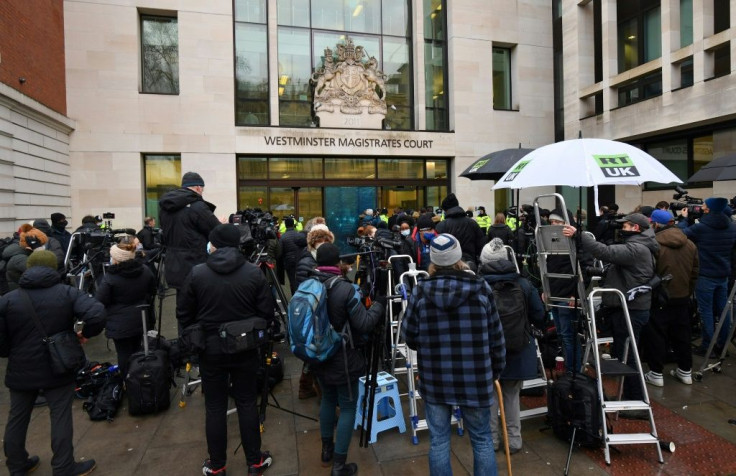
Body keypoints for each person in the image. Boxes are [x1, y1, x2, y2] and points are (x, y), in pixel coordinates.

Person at [402, 233, 505, 476]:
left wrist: (427, 346)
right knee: (481, 440)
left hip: (436, 376)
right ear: (459, 258)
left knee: (439, 441)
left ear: (433, 261)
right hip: (475, 377)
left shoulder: (420, 292)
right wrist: (495, 371)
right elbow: (496, 337)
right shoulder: (480, 288)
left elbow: (409, 335)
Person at [177, 224, 274, 476]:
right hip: (244, 347)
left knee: (215, 407)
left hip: (210, 349)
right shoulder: (253, 273)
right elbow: (267, 313)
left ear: (214, 245)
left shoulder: (198, 273)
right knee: (246, 402)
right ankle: (254, 462)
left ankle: (217, 465)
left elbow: (184, 313)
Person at [0, 250, 105, 476]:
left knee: (17, 417)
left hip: (21, 365)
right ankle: (63, 466)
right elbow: (96, 313)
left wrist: (8, 350)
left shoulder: (9, 299)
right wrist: (85, 333)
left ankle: (17, 466)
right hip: (58, 364)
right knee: (60, 415)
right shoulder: (66, 293)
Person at [563, 212, 658, 408]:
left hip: (631, 309)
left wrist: (579, 235)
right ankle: (631, 397)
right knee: (626, 353)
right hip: (628, 308)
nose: (621, 228)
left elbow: (605, 252)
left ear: (636, 228)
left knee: (629, 355)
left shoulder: (637, 248)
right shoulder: (640, 245)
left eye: (625, 226)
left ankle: (636, 401)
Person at [309, 243, 384, 475]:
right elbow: (363, 323)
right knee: (348, 405)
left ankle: (326, 451)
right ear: (337, 263)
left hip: (317, 354)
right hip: (342, 357)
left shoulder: (308, 284)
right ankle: (339, 466)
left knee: (328, 400)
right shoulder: (346, 289)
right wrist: (379, 305)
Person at [479, 238, 544, 454]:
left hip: (487, 351)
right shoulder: (523, 283)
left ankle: (491, 441)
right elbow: (539, 315)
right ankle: (514, 441)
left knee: (489, 398)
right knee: (511, 396)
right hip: (518, 348)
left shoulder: (479, 286)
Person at [158, 172, 222, 331]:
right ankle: (199, 345)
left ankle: (185, 344)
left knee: (183, 307)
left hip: (174, 265)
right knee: (202, 307)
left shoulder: (166, 207)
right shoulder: (197, 206)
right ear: (198, 187)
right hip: (195, 264)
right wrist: (221, 224)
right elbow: (216, 231)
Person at [643, 210, 699, 387]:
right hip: (682, 296)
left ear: (656, 224)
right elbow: (695, 272)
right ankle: (685, 370)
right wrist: (687, 292)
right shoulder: (690, 244)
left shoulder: (654, 244)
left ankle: (656, 373)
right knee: (682, 334)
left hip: (659, 297)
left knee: (657, 334)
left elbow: (648, 271)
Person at [678, 197, 736, 356]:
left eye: (704, 205)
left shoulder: (702, 227)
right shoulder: (732, 227)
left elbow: (681, 235)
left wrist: (683, 220)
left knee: (706, 311)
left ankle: (707, 346)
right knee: (723, 311)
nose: (702, 207)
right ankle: (723, 345)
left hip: (705, 275)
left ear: (709, 209)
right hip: (723, 274)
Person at [94, 239, 156, 377]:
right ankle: (139, 378)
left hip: (119, 322)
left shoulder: (111, 277)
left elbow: (100, 300)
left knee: (124, 353)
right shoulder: (145, 270)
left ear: (116, 258)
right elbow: (152, 290)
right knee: (137, 350)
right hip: (141, 318)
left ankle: (127, 381)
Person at [545, 209, 585, 372]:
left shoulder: (578, 240)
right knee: (562, 334)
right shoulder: (553, 240)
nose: (554, 225)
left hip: (568, 295)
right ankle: (570, 369)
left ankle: (573, 371)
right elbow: (548, 267)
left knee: (569, 336)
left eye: (558, 222)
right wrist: (545, 289)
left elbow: (584, 269)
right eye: (552, 222)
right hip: (555, 293)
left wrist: (576, 294)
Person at [435, 193, 486, 271]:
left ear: (446, 210)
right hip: (470, 265)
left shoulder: (442, 225)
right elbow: (481, 245)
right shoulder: (472, 223)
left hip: (449, 266)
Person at [6, 225, 48, 291]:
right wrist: (38, 250)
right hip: (20, 296)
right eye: (41, 245)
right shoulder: (19, 259)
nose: (43, 247)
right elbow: (43, 273)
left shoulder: (26, 253)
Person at [279, 217, 307, 295]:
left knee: (291, 279)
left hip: (289, 260)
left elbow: (280, 252)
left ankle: (294, 294)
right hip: (299, 258)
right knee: (300, 277)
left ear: (285, 225)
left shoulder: (283, 237)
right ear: (293, 224)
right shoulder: (298, 234)